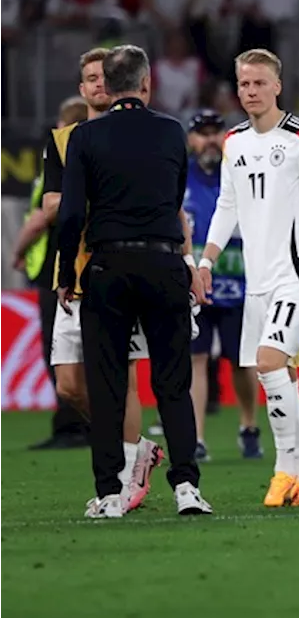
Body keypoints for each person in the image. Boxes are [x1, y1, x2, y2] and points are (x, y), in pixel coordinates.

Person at [57, 44, 213, 518]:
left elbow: (69, 215)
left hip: (106, 267)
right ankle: (187, 487)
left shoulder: (85, 136)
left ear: (108, 81)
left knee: (106, 386)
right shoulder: (171, 133)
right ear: (147, 84)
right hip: (165, 263)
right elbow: (173, 199)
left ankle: (110, 494)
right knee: (173, 383)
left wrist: (67, 272)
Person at [197, 49, 299, 509]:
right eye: (244, 84)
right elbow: (228, 205)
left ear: (277, 86)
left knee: (267, 362)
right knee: (280, 376)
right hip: (256, 282)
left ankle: (284, 470)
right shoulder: (235, 141)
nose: (251, 92)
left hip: (298, 275)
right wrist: (206, 261)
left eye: (260, 83)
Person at [45, 49, 166, 513]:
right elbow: (53, 204)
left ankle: (126, 474)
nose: (97, 85)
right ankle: (136, 451)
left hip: (117, 269)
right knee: (70, 388)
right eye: (89, 79)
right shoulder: (63, 141)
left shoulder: (134, 136)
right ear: (82, 89)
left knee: (124, 381)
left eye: (103, 77)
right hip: (74, 273)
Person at [184, 109, 262, 461]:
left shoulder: (241, 173)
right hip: (194, 284)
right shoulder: (178, 178)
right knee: (196, 359)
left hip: (239, 283)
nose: (210, 139)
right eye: (202, 133)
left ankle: (248, 427)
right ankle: (196, 437)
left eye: (216, 131)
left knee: (242, 361)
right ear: (191, 140)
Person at [16, 97, 91, 451]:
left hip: (57, 269)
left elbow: (40, 218)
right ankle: (96, 425)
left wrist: (17, 252)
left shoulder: (61, 158)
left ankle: (72, 424)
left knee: (59, 350)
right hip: (89, 263)